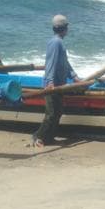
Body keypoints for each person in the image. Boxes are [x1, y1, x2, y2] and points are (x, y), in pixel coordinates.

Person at [33, 14, 80, 147]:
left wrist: (74, 76)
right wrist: (49, 82)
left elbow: (65, 63)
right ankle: (38, 136)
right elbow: (51, 64)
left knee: (58, 112)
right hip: (53, 86)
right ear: (64, 28)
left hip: (60, 84)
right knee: (51, 113)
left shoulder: (58, 42)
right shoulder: (56, 42)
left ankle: (49, 138)